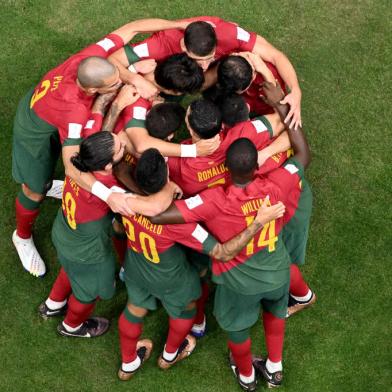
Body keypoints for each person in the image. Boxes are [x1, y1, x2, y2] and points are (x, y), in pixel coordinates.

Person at [150, 82, 311, 389]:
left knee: (238, 330)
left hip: (238, 282)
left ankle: (247, 375)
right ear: (257, 164)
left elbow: (159, 214)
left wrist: (163, 189)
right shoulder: (277, 182)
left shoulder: (214, 201)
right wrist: (280, 104)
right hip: (277, 271)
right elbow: (303, 153)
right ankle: (275, 369)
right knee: (275, 315)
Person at [11, 18, 189, 277]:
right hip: (35, 129)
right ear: (93, 88)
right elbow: (74, 166)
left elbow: (132, 28)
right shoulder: (74, 113)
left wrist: (181, 23)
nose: (121, 84)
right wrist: (109, 197)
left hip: (51, 107)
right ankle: (23, 236)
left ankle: (48, 187)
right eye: (115, 84)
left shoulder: (93, 55)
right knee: (33, 189)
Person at [117, 148, 285, 380]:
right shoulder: (180, 225)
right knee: (187, 312)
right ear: (167, 175)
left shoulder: (124, 199)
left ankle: (128, 364)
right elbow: (221, 252)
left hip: (136, 267)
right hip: (171, 279)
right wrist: (257, 222)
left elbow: (121, 171)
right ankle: (169, 355)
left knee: (134, 309)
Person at [38, 132, 181, 338]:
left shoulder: (79, 163)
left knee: (71, 270)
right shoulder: (112, 188)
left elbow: (122, 138)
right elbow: (155, 207)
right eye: (119, 148)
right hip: (87, 252)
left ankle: (53, 303)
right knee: (87, 294)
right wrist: (168, 187)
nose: (123, 143)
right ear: (106, 165)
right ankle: (72, 326)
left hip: (64, 232)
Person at [109, 16, 302, 129]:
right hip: (172, 76)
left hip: (221, 76)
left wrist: (296, 91)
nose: (203, 66)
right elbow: (112, 60)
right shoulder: (162, 43)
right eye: (199, 60)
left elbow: (276, 56)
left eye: (210, 57)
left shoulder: (229, 34)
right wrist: (135, 77)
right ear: (184, 46)